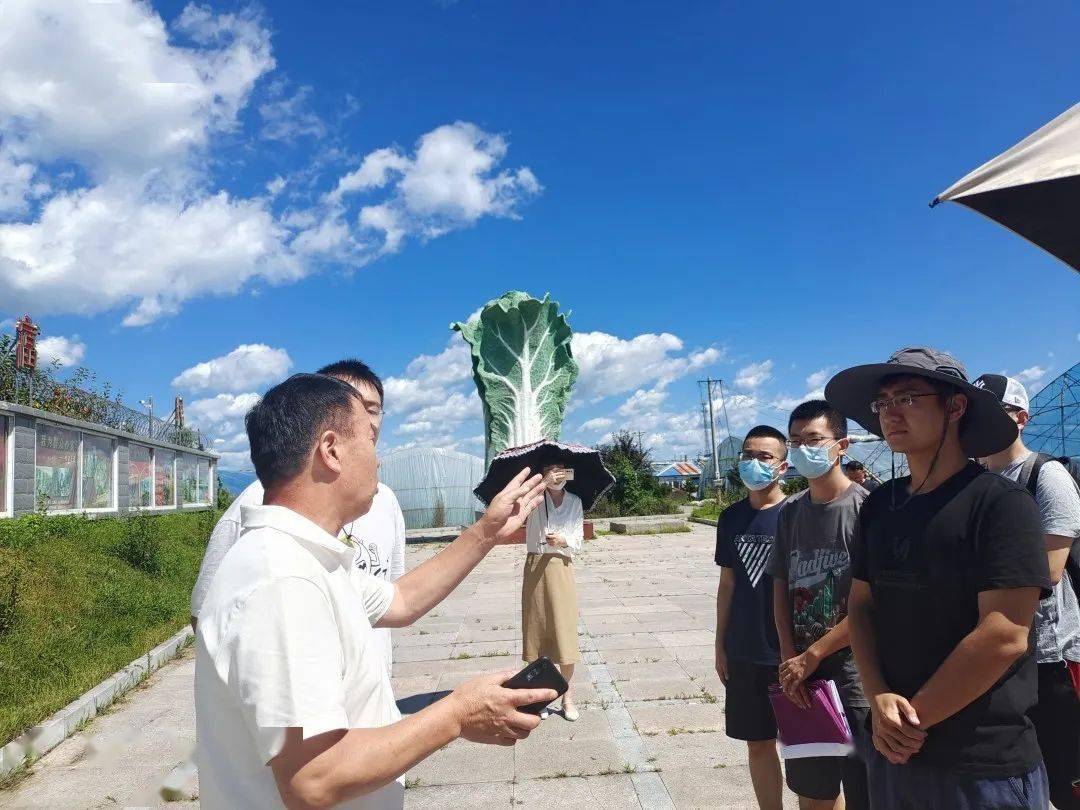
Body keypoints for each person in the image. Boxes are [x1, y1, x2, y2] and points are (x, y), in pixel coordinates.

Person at [195, 373, 554, 809]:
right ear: (330, 450)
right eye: (369, 440)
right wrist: (458, 714)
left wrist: (485, 533)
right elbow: (314, 779)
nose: (379, 460)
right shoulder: (283, 580)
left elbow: (401, 601)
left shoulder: (307, 559)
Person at [827, 348, 1051, 810]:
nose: (891, 412)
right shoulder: (880, 505)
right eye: (883, 402)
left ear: (955, 406)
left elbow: (1004, 634)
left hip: (980, 762)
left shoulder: (1000, 504)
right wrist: (878, 696)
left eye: (907, 397)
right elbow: (863, 606)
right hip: (896, 753)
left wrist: (910, 719)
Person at [190, 359, 407, 675]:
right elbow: (207, 616)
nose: (368, 425)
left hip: (367, 708)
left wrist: (487, 529)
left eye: (373, 410)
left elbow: (399, 598)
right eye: (354, 409)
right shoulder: (261, 516)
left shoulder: (385, 503)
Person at [977, 373, 1080, 810]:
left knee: (1067, 776)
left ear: (1020, 418)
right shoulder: (975, 481)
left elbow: (1049, 571)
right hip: (1001, 653)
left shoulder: (1046, 475)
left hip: (1053, 655)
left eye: (994, 413)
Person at [766, 400, 871, 810]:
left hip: (855, 674)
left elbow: (870, 601)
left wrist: (815, 653)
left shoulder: (867, 508)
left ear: (841, 445)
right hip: (802, 675)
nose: (802, 450)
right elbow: (781, 588)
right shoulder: (791, 512)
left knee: (866, 789)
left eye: (813, 440)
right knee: (813, 790)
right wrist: (789, 654)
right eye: (795, 442)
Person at [715, 425, 789, 810]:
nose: (754, 463)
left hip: (790, 655)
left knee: (809, 751)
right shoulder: (730, 518)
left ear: (783, 466)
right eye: (748, 455)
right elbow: (727, 584)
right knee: (758, 744)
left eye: (764, 457)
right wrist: (720, 645)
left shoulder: (798, 514)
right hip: (744, 650)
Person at [521, 463, 584, 721]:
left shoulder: (574, 501)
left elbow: (578, 539)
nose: (558, 474)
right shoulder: (534, 498)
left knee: (564, 632)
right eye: (552, 469)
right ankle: (541, 695)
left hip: (561, 564)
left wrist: (564, 540)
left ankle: (567, 696)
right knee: (537, 632)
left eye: (562, 469)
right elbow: (518, 508)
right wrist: (541, 485)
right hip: (536, 563)